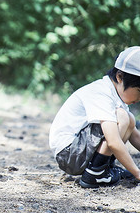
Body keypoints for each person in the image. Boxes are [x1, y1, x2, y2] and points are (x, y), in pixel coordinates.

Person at [49, 46, 140, 188]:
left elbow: (135, 136)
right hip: (69, 153)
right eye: (139, 91)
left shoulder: (116, 95)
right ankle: (95, 173)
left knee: (129, 119)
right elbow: (114, 142)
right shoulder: (101, 93)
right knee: (123, 117)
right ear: (120, 77)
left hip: (79, 150)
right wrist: (137, 173)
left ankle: (104, 169)